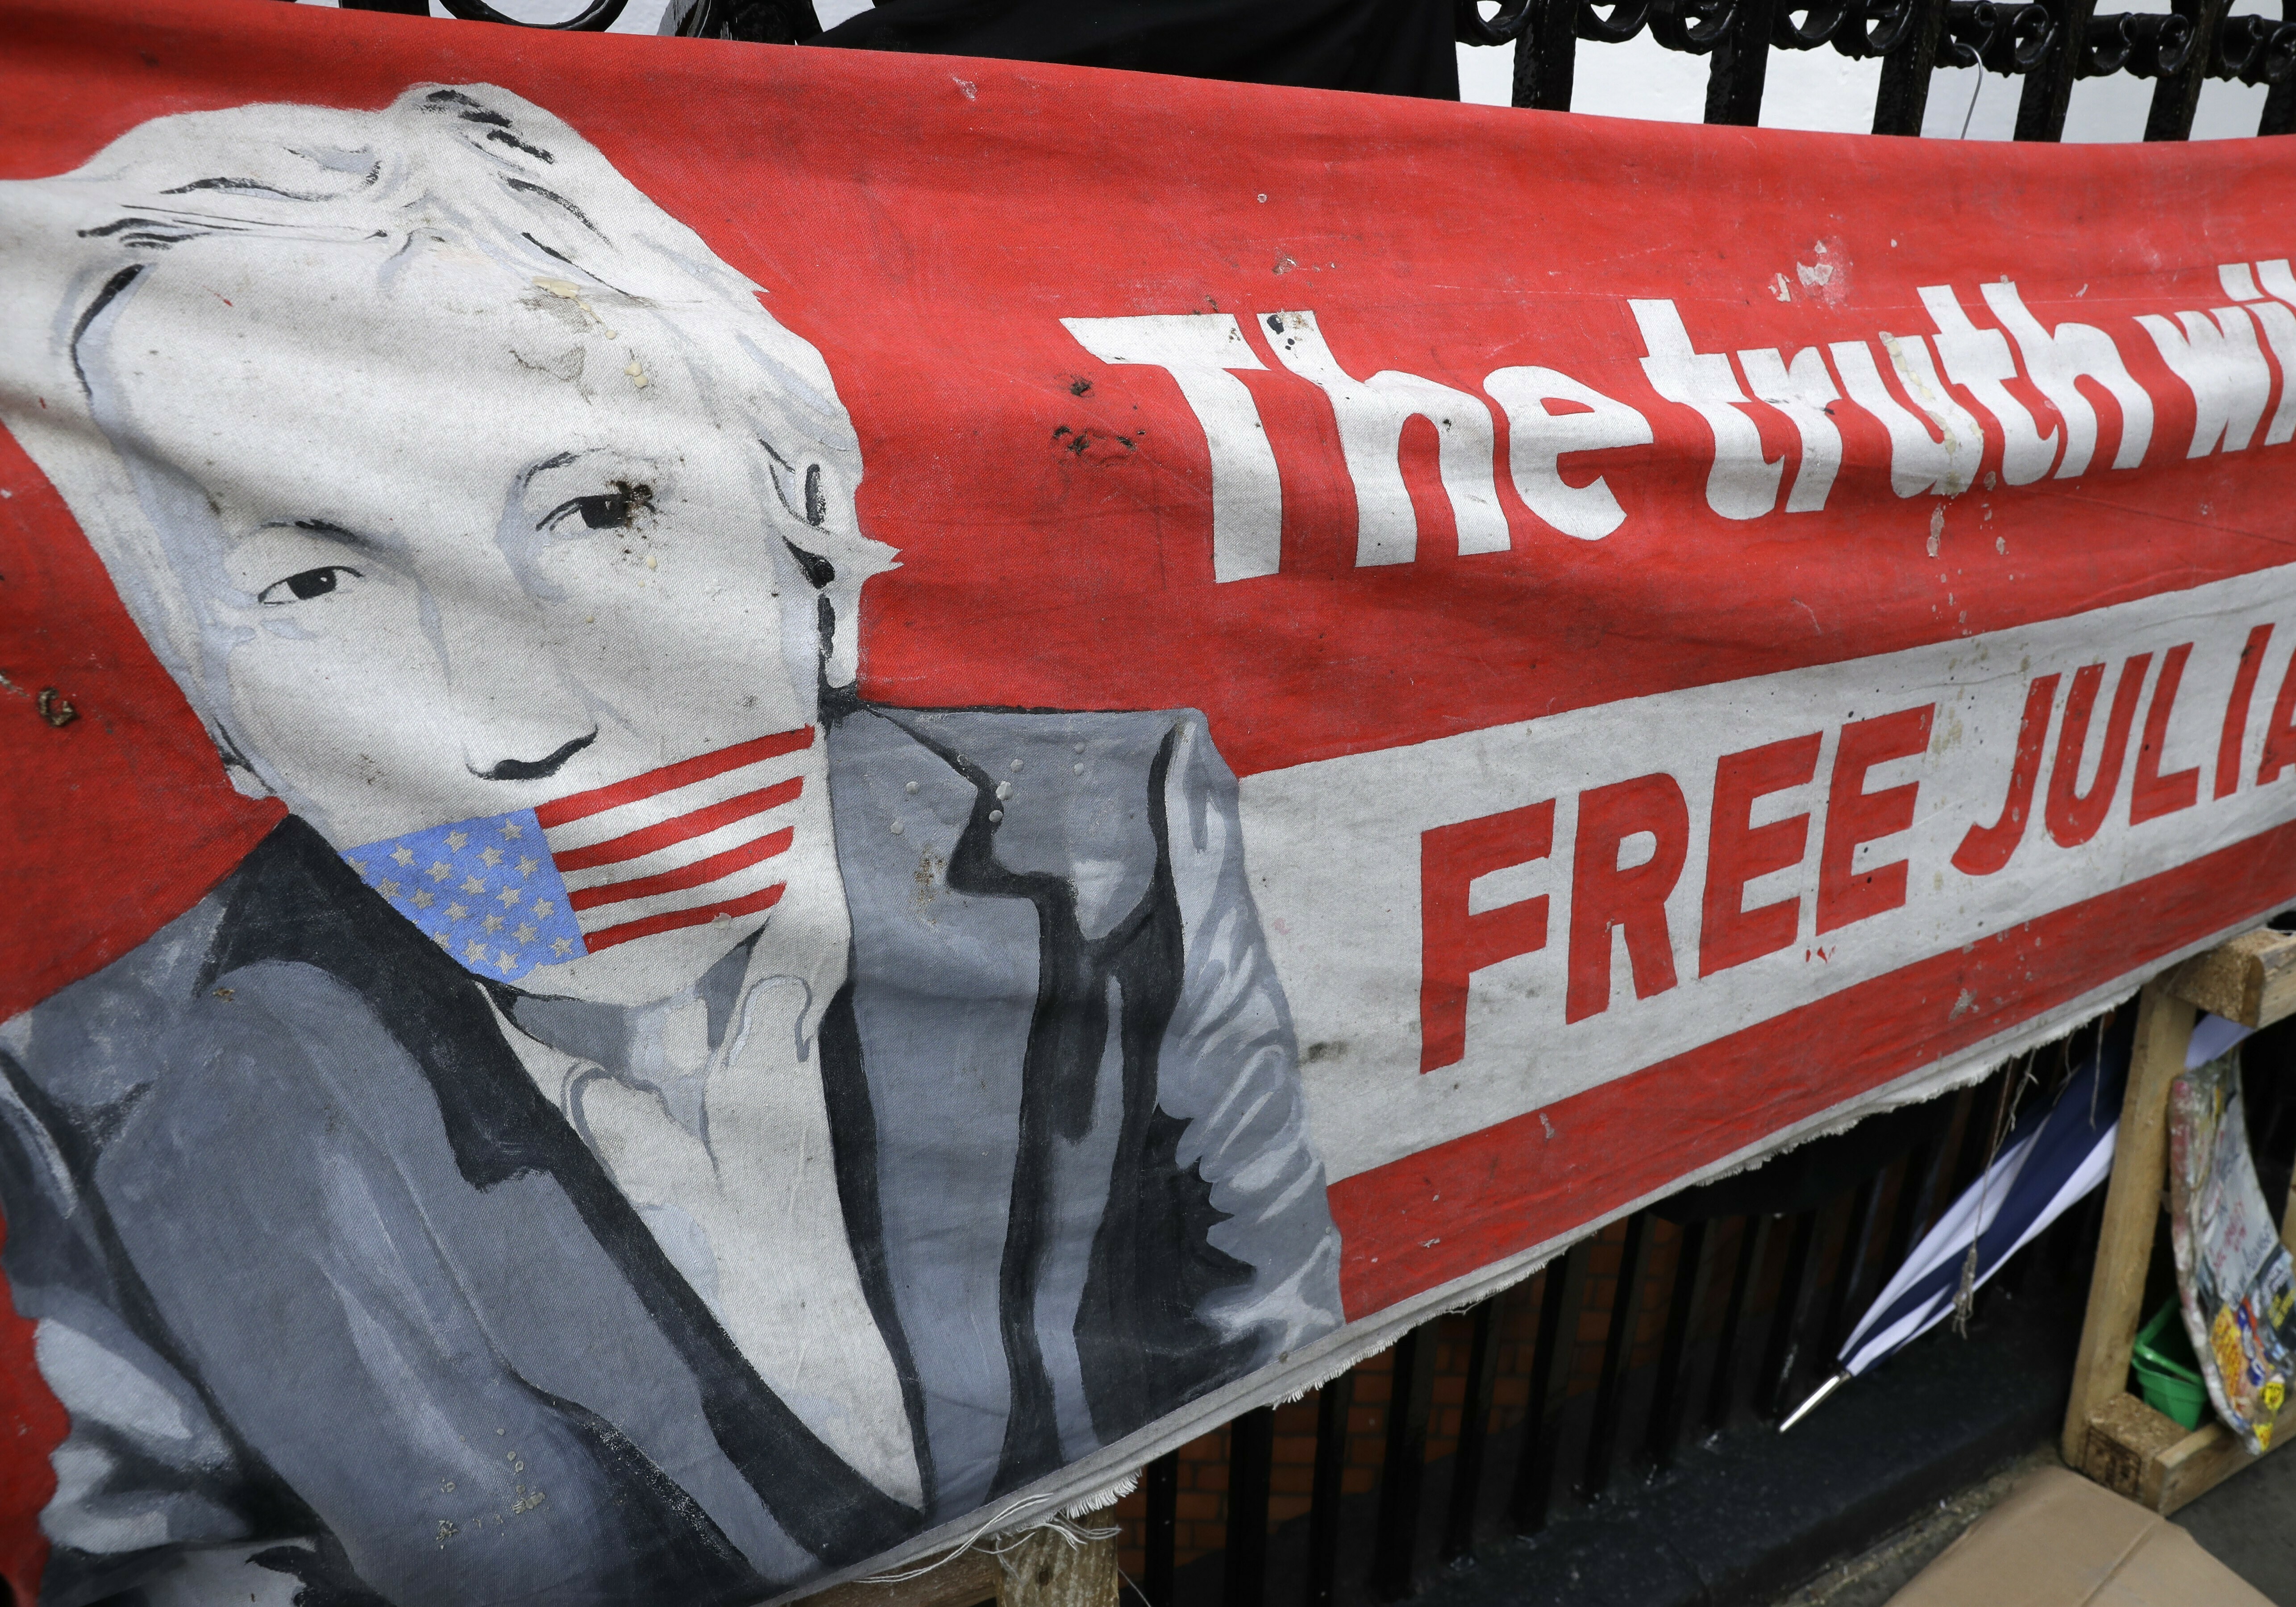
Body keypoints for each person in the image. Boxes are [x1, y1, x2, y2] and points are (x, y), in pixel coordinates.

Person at [0, 83, 1341, 1607]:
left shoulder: (1117, 836)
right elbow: (157, 1570)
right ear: (212, 703)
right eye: (309, 586)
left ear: (805, 532)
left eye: (598, 510)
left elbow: (1268, 1321)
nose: (512, 731)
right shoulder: (102, 1104)